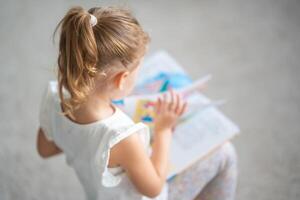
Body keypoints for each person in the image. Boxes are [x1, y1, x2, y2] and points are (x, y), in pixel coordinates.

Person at [36, 6, 238, 200]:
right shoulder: (121, 137)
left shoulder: (55, 97)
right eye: (137, 70)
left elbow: (45, 150)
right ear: (121, 79)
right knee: (225, 153)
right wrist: (163, 130)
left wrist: (83, 142)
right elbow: (154, 188)